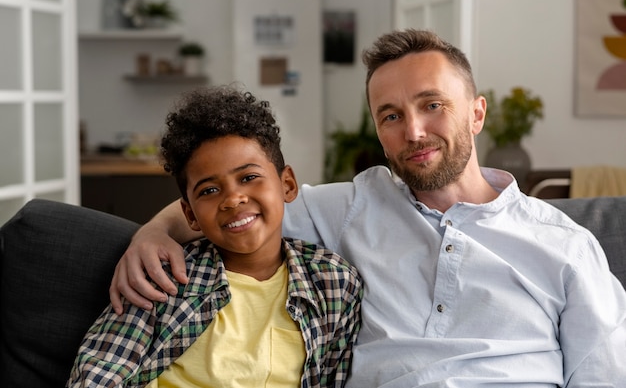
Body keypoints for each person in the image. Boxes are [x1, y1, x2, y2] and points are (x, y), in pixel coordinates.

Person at [110, 30, 626, 387]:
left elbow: (604, 374)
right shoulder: (355, 204)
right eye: (391, 115)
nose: (414, 131)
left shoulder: (565, 245)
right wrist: (153, 232)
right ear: (379, 134)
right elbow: (241, 206)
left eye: (432, 105)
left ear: (476, 112)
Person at [67, 86, 363, 387]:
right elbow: (97, 375)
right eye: (209, 190)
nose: (233, 199)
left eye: (248, 178)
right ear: (190, 214)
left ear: (287, 184)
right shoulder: (164, 279)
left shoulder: (332, 283)